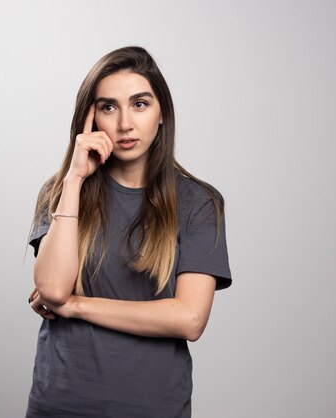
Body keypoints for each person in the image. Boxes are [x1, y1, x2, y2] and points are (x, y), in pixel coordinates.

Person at [24, 46, 232, 418]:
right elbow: (53, 288)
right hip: (60, 404)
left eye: (139, 104)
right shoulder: (60, 192)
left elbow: (189, 319)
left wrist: (75, 306)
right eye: (108, 107)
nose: (124, 124)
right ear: (89, 119)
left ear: (162, 113)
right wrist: (73, 180)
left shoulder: (199, 202)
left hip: (151, 407)